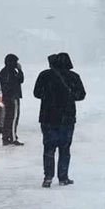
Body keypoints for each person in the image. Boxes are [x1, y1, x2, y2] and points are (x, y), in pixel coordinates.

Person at [31, 52, 86, 188]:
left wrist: (49, 96)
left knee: (49, 148)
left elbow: (36, 93)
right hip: (67, 118)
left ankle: (48, 177)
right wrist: (69, 96)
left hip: (47, 117)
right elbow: (81, 95)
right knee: (65, 148)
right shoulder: (73, 77)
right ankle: (63, 177)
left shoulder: (44, 75)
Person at [0, 53, 24, 145]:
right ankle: (13, 137)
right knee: (13, 118)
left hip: (7, 98)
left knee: (8, 118)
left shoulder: (3, 72)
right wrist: (20, 70)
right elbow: (20, 80)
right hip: (12, 97)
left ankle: (6, 137)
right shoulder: (11, 72)